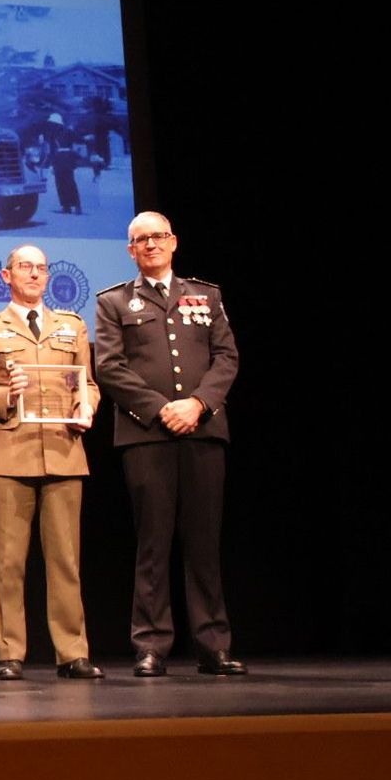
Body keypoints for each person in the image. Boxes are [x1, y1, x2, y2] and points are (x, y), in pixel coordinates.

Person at [94, 211, 243, 676]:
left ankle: (213, 644)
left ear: (173, 242)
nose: (151, 244)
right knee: (153, 542)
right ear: (130, 250)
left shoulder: (206, 295)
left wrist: (197, 404)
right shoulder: (114, 301)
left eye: (158, 236)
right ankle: (151, 645)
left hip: (202, 430)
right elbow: (110, 366)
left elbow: (226, 357)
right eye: (141, 239)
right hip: (147, 434)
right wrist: (162, 408)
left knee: (204, 541)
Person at [0, 245, 102, 681]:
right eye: (26, 267)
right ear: (6, 275)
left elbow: (88, 384)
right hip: (9, 453)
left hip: (63, 450)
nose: (35, 274)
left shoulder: (71, 325)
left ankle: (72, 653)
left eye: (41, 268)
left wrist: (87, 407)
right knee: (9, 561)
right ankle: (10, 653)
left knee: (65, 560)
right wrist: (5, 396)